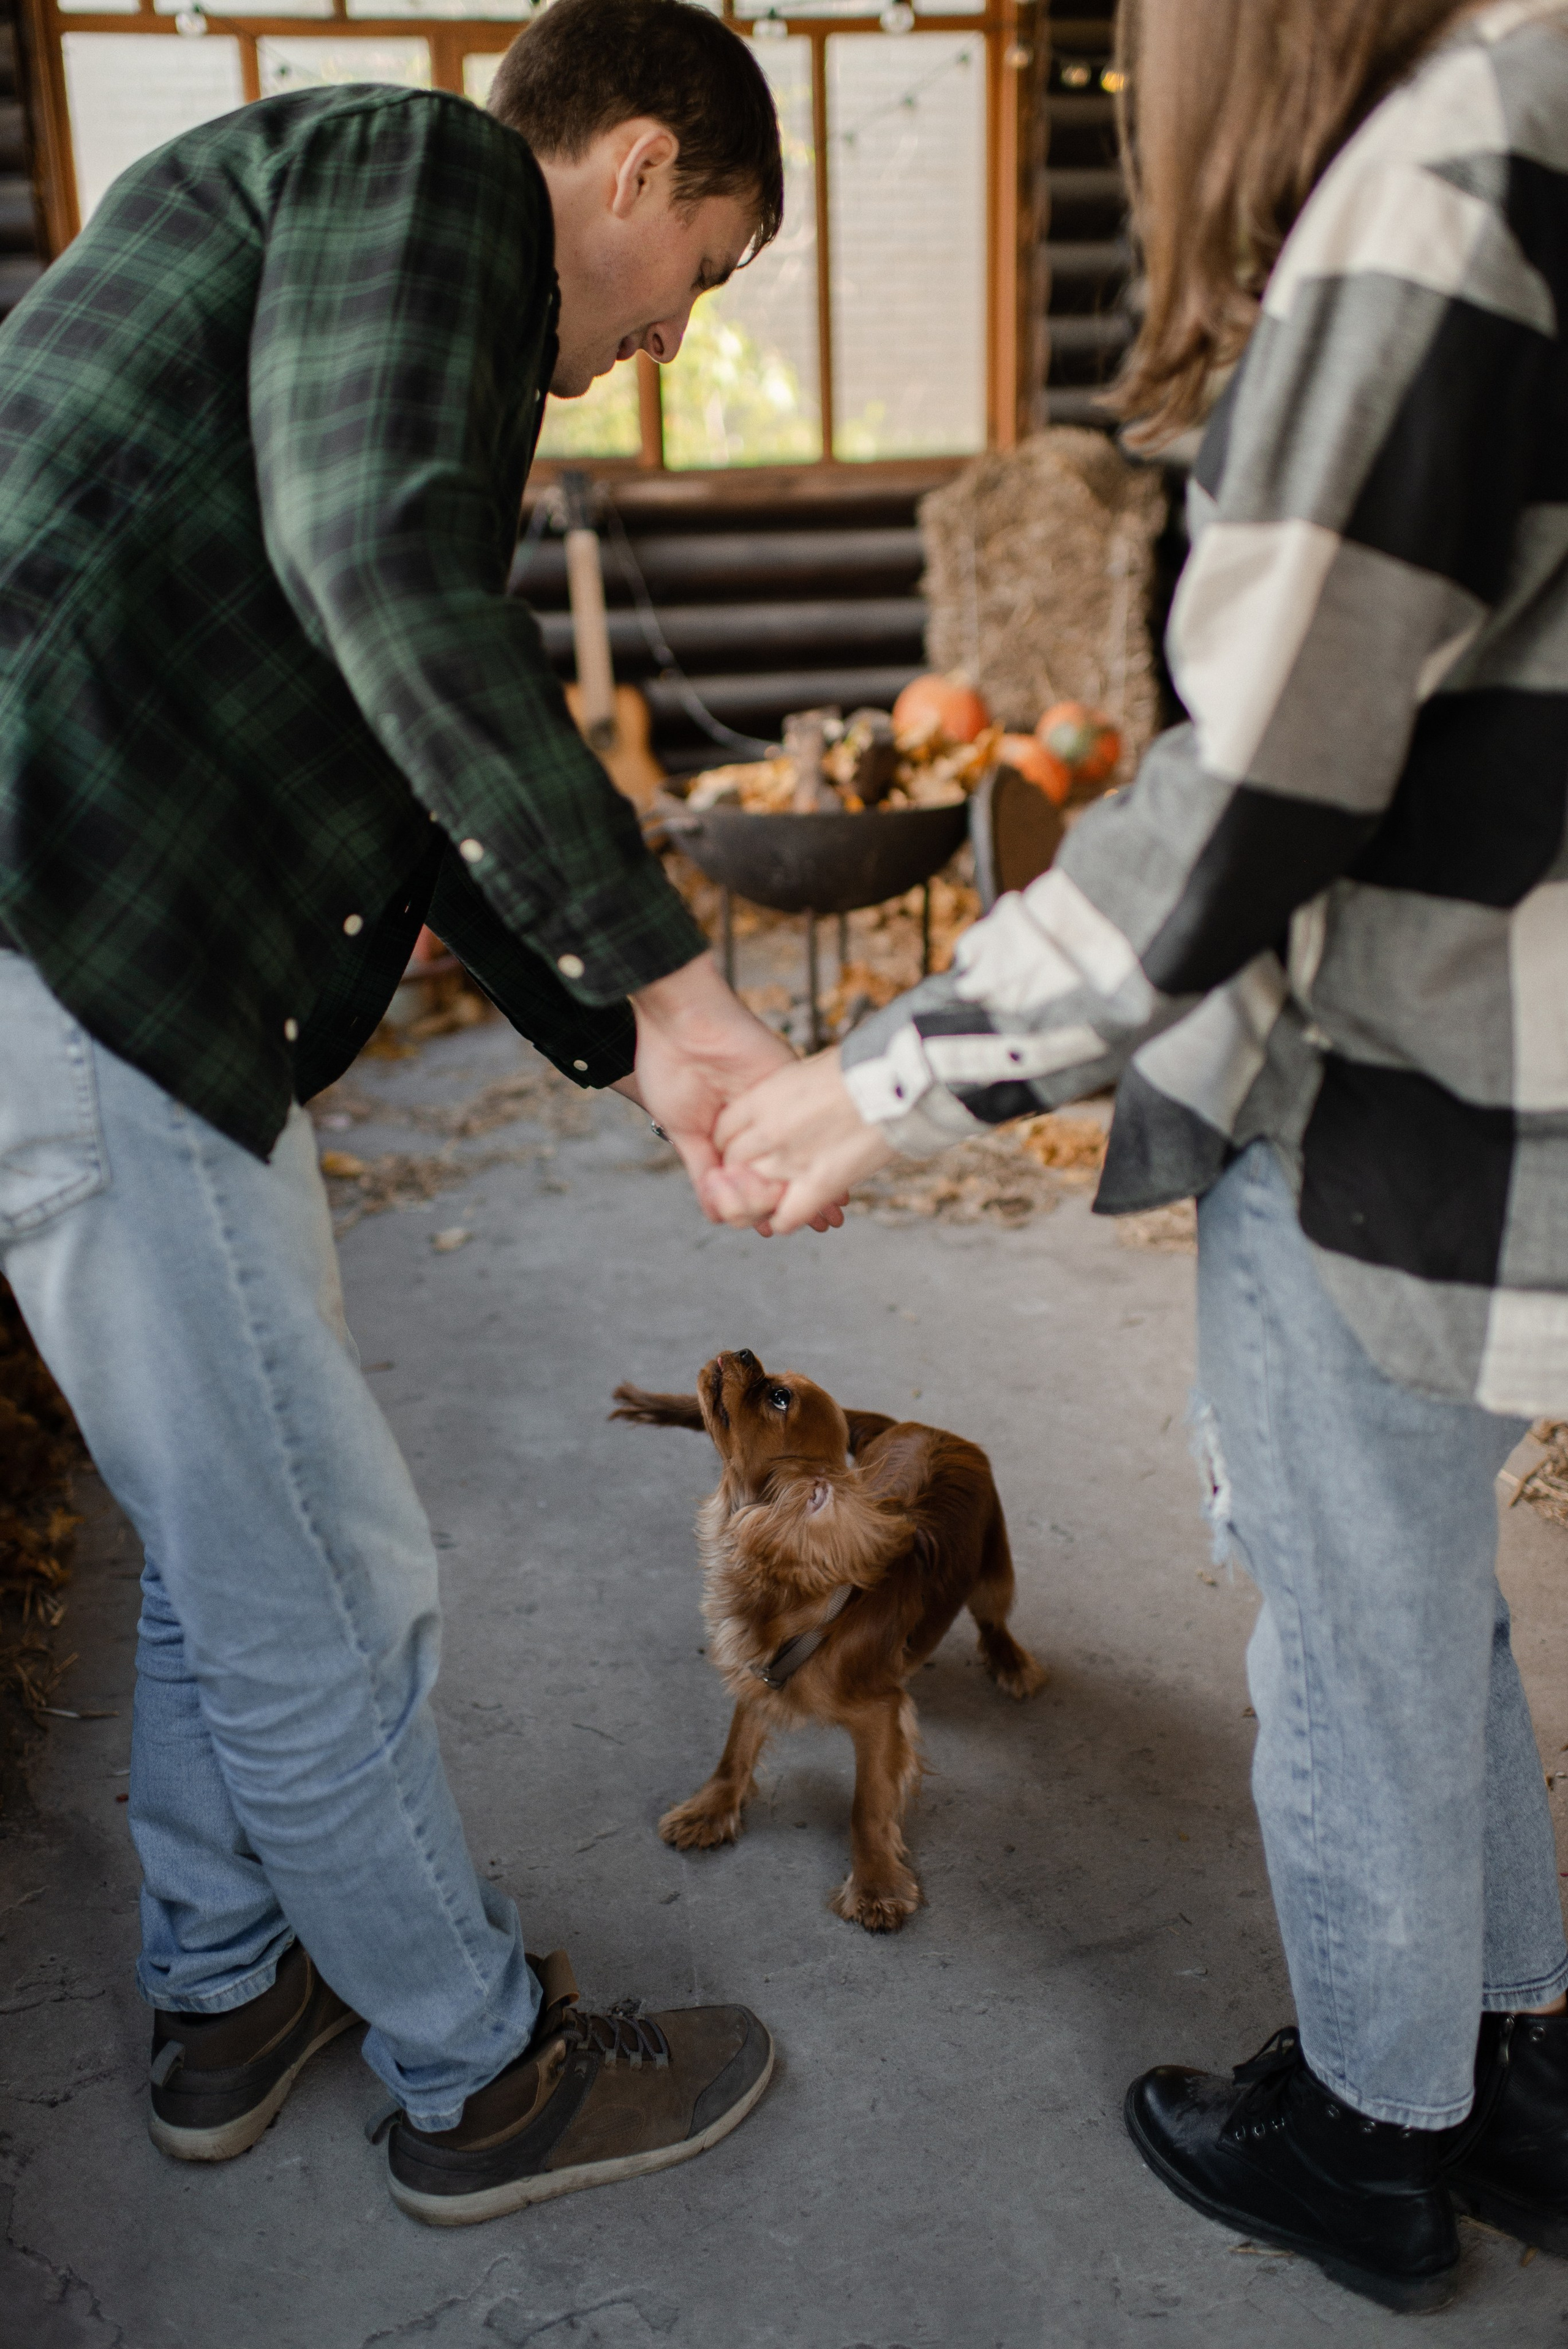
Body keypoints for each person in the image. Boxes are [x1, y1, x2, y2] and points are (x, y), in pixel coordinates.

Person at [707, 0, 1568, 2313]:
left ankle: (1374, 2135)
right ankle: (1505, 2056)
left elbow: (1248, 802)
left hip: (1401, 1111)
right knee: (1425, 1604)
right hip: (1523, 1093)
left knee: (1349, 1640)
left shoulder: (1439, 168)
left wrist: (884, 1079)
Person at [0, 0, 823, 2228]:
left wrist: (632, 1048)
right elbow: (384, 576)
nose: (668, 340)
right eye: (709, 274)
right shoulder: (430, 181)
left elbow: (385, 700)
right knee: (325, 1572)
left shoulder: (356, 255)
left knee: (223, 1530)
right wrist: (677, 978)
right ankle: (479, 2075)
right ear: (638, 168)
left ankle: (225, 1976)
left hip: (136, 959)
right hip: (75, 918)